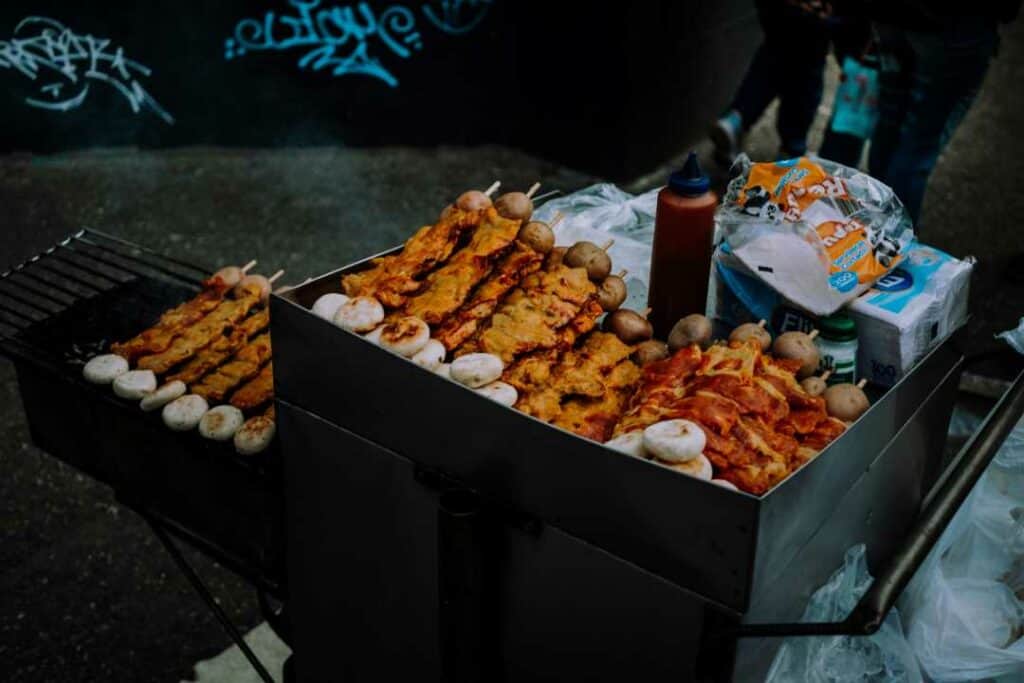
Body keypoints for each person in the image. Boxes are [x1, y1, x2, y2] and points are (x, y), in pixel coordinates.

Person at [864, 1, 1020, 224]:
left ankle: (870, 227)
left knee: (892, 120)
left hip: (889, 15)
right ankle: (890, 240)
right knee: (918, 141)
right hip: (955, 24)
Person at [711, 1, 870, 166]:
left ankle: (736, 118)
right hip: (817, 19)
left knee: (776, 52)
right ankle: (791, 151)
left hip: (783, 11)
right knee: (807, 69)